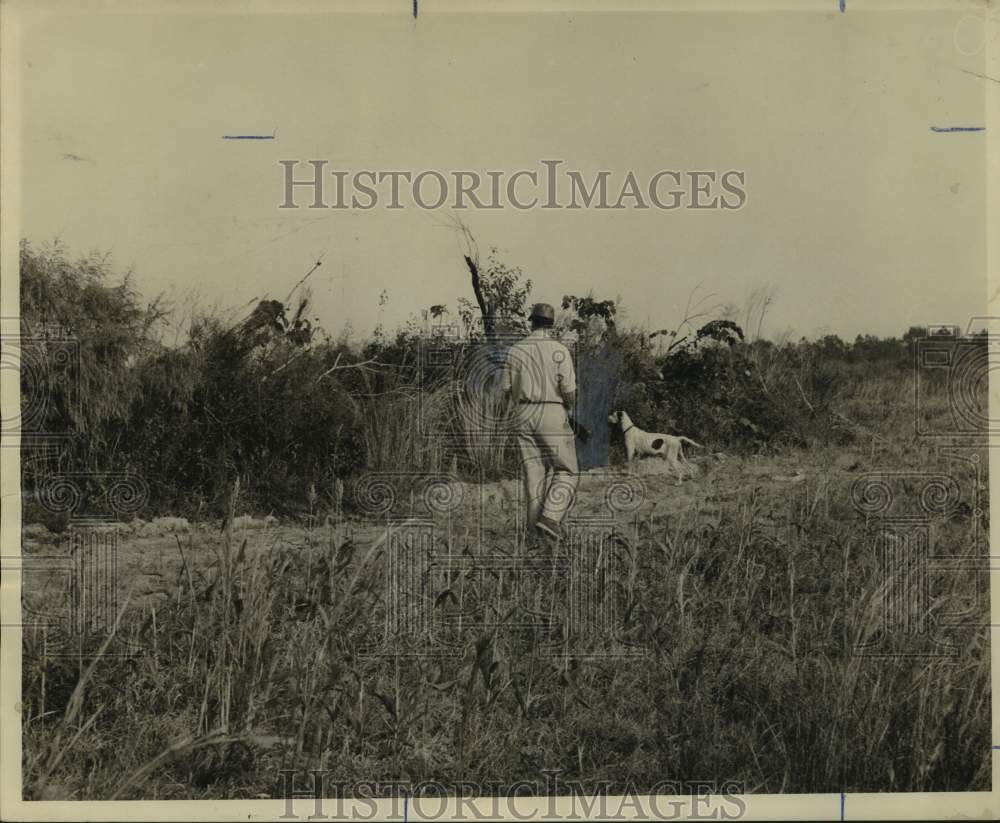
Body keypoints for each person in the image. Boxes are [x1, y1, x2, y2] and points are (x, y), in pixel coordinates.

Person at [502, 302, 579, 543]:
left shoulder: (515, 350)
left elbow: (505, 389)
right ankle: (551, 518)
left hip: (522, 413)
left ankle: (534, 537)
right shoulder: (559, 350)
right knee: (567, 470)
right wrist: (569, 407)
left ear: (531, 322)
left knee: (533, 475)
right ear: (551, 325)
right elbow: (568, 390)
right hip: (551, 409)